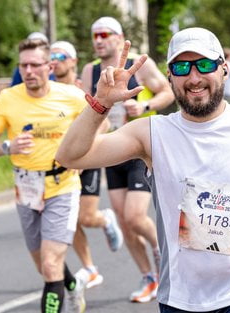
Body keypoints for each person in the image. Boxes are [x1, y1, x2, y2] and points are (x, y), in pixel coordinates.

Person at [57, 27, 230, 312]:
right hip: (181, 297)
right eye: (182, 67)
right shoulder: (151, 134)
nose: (194, 77)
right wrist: (102, 103)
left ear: (224, 69)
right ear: (170, 75)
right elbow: (70, 156)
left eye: (205, 65)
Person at [0, 38, 86, 313]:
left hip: (63, 185)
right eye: (23, 65)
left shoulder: (71, 96)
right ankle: (72, 286)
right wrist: (7, 146)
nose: (28, 71)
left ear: (49, 66)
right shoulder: (8, 99)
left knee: (50, 265)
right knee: (45, 265)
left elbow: (101, 124)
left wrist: (84, 157)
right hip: (26, 188)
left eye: (35, 65)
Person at [80, 16, 174, 303]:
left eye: (105, 34)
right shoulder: (90, 70)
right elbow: (84, 105)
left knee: (135, 216)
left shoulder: (139, 64)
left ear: (119, 38)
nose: (98, 40)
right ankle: (149, 276)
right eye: (95, 35)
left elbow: (167, 92)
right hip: (110, 148)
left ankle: (165, 258)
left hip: (139, 148)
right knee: (123, 218)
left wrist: (144, 105)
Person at [50, 40, 123, 289]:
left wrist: (83, 153)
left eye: (60, 56)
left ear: (72, 61)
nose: (54, 60)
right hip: (60, 163)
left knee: (87, 217)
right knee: (71, 221)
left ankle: (104, 220)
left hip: (86, 159)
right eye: (51, 56)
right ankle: (90, 267)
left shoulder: (81, 91)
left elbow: (104, 123)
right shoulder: (46, 93)